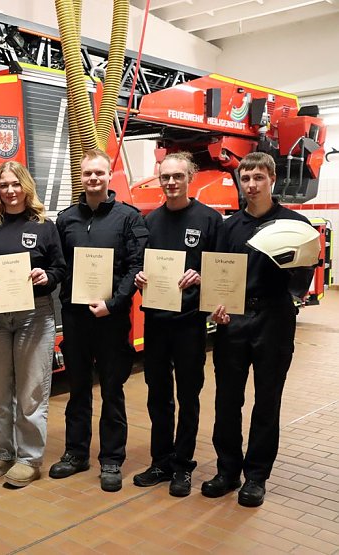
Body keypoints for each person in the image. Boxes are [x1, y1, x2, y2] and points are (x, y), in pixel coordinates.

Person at [202, 152, 316, 508]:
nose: (251, 185)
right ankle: (227, 471)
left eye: (258, 178)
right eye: (246, 178)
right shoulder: (227, 227)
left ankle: (256, 477)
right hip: (233, 324)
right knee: (226, 401)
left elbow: (303, 278)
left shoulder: (295, 225)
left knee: (267, 401)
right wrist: (215, 310)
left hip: (275, 321)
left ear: (272, 180)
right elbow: (217, 276)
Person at [51, 148, 148, 492]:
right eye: (87, 173)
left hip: (111, 318)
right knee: (77, 388)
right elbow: (59, 266)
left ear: (109, 176)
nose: (93, 179)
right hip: (76, 318)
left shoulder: (128, 218)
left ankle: (111, 459)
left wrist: (114, 303)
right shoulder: (65, 220)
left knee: (111, 388)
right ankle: (76, 453)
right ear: (81, 177)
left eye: (99, 173)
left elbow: (137, 266)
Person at [0, 161, 65, 488]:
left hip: (34, 315)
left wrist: (46, 276)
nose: (10, 191)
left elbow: (59, 269)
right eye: (4, 185)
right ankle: (2, 451)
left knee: (31, 392)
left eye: (15, 184)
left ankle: (29, 458)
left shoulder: (43, 226)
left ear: (25, 187)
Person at [131, 152, 222, 497]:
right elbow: (139, 265)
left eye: (177, 177)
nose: (170, 183)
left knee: (188, 395)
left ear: (189, 179)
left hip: (189, 325)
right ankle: (161, 460)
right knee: (158, 395)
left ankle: (183, 465)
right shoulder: (149, 222)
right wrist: (140, 277)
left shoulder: (210, 220)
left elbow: (223, 271)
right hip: (155, 321)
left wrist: (202, 276)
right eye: (165, 177)